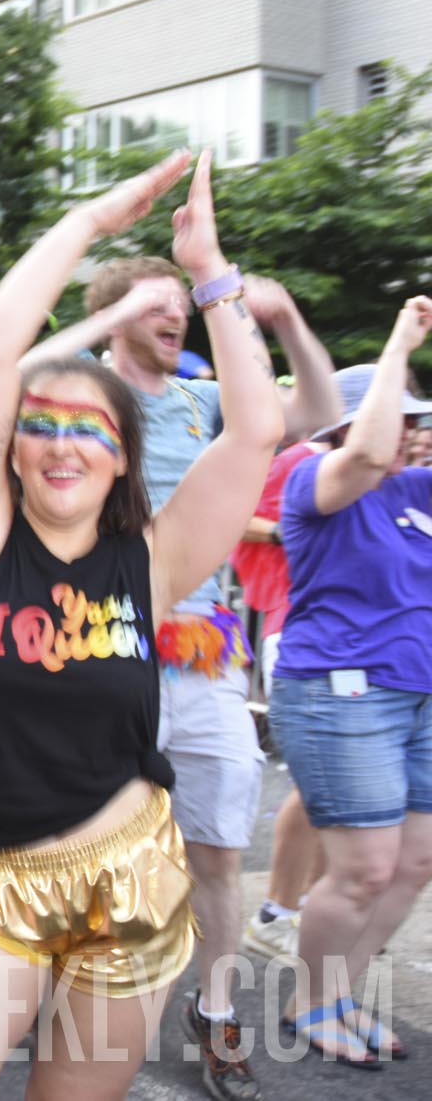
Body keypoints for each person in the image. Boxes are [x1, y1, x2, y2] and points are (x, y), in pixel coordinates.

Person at [0, 151, 283, 1101]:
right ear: (9, 448)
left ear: (123, 458)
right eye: (42, 423)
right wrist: (88, 225)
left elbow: (257, 428)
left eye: (91, 429)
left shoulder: (153, 561)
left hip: (133, 879)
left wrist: (209, 273)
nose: (64, 443)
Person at [27, 246, 337, 1098]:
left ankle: (217, 1010)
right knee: (82, 848)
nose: (179, 315)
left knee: (216, 850)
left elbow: (313, 411)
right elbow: (2, 382)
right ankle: (67, 1007)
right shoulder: (78, 390)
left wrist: (280, 321)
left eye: (185, 305)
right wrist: (102, 324)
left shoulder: (208, 399)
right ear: (118, 313)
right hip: (97, 649)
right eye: (159, 304)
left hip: (204, 659)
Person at [270, 325, 432, 1069]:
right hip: (341, 695)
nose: (411, 435)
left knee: (414, 862)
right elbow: (364, 454)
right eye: (400, 419)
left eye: (417, 420)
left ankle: (342, 995)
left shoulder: (419, 487)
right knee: (364, 867)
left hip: (418, 694)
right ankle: (311, 1003)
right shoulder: (313, 476)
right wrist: (402, 342)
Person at [230, 433, 327, 962]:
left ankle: (313, 908)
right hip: (301, 626)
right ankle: (278, 914)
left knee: (360, 798)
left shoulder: (398, 472)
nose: (411, 432)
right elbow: (237, 516)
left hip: (369, 642)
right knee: (322, 781)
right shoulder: (301, 460)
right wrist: (307, 528)